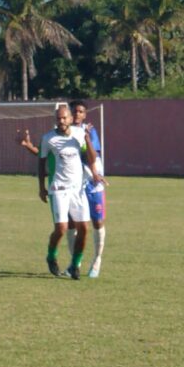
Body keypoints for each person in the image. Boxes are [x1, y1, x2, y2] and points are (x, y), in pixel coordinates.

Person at [16, 105, 102, 280]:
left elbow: (92, 159)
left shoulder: (79, 134)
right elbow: (41, 163)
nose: (61, 121)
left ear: (70, 119)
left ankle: (75, 265)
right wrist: (41, 188)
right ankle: (51, 256)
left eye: (64, 118)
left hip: (78, 189)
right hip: (59, 189)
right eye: (58, 118)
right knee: (61, 229)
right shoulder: (48, 139)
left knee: (84, 228)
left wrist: (87, 140)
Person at [68, 100, 105, 278]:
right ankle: (75, 263)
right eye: (74, 111)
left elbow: (92, 155)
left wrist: (94, 172)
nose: (77, 114)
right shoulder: (62, 132)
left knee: (97, 222)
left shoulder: (90, 131)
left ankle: (97, 260)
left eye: (81, 112)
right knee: (71, 223)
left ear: (85, 115)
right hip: (73, 184)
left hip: (91, 181)